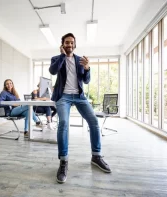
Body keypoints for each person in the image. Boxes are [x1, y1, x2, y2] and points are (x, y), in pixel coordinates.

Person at [49, 33, 112, 184]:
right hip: (63, 96)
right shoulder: (57, 59)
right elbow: (53, 71)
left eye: (71, 43)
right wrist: (62, 56)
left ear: (75, 45)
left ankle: (96, 156)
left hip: (79, 96)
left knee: (94, 121)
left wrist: (87, 68)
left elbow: (86, 80)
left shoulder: (79, 60)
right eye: (66, 43)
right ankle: (63, 161)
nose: (69, 45)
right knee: (63, 123)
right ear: (62, 45)